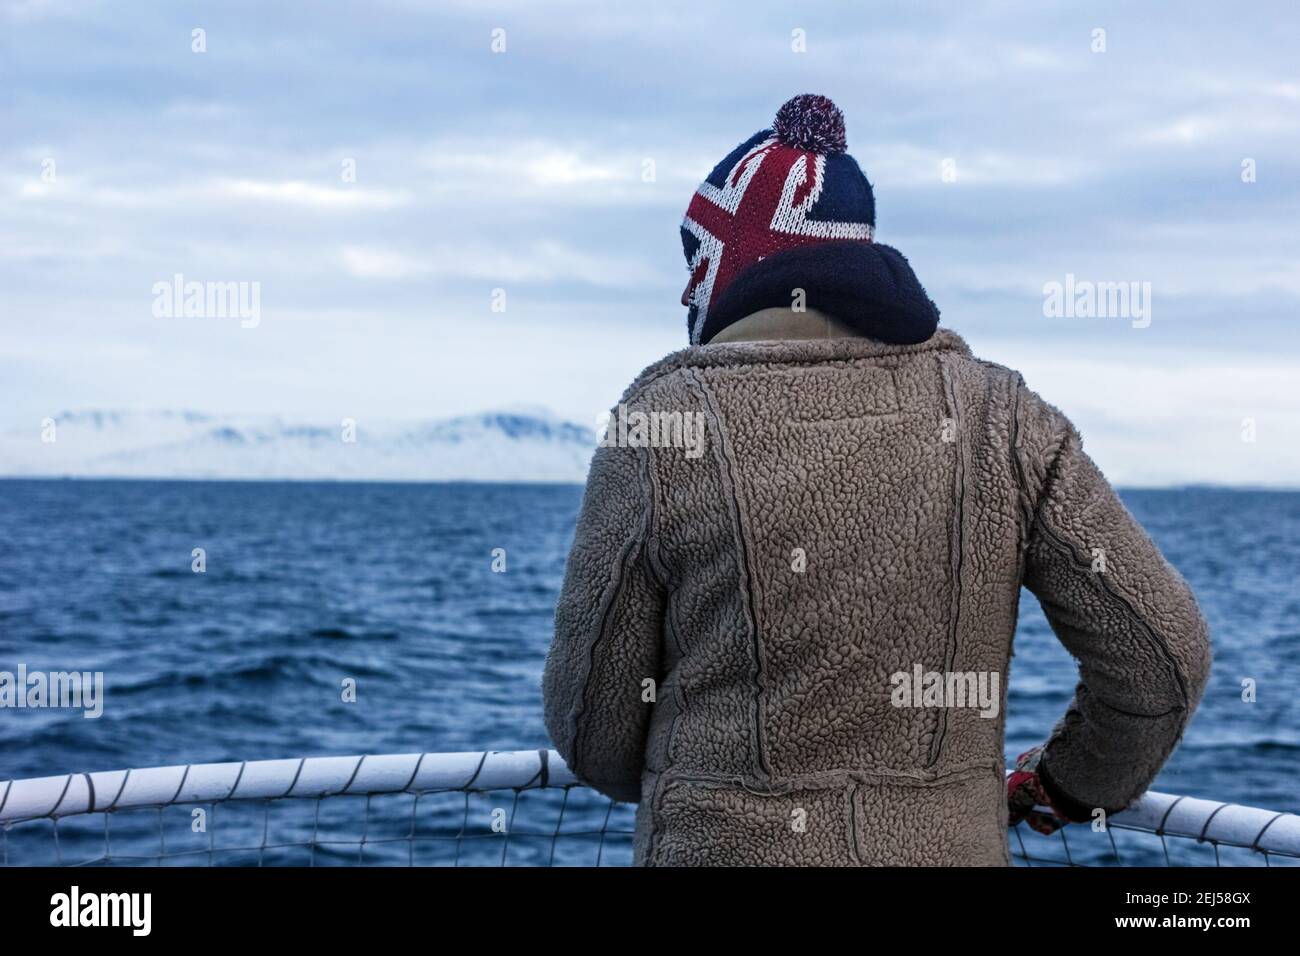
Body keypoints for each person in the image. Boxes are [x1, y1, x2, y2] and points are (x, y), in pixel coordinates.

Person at [541, 95, 1212, 866]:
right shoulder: (1004, 417)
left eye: (693, 259)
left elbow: (593, 727)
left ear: (729, 262)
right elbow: (1163, 658)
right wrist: (1069, 785)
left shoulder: (661, 425)